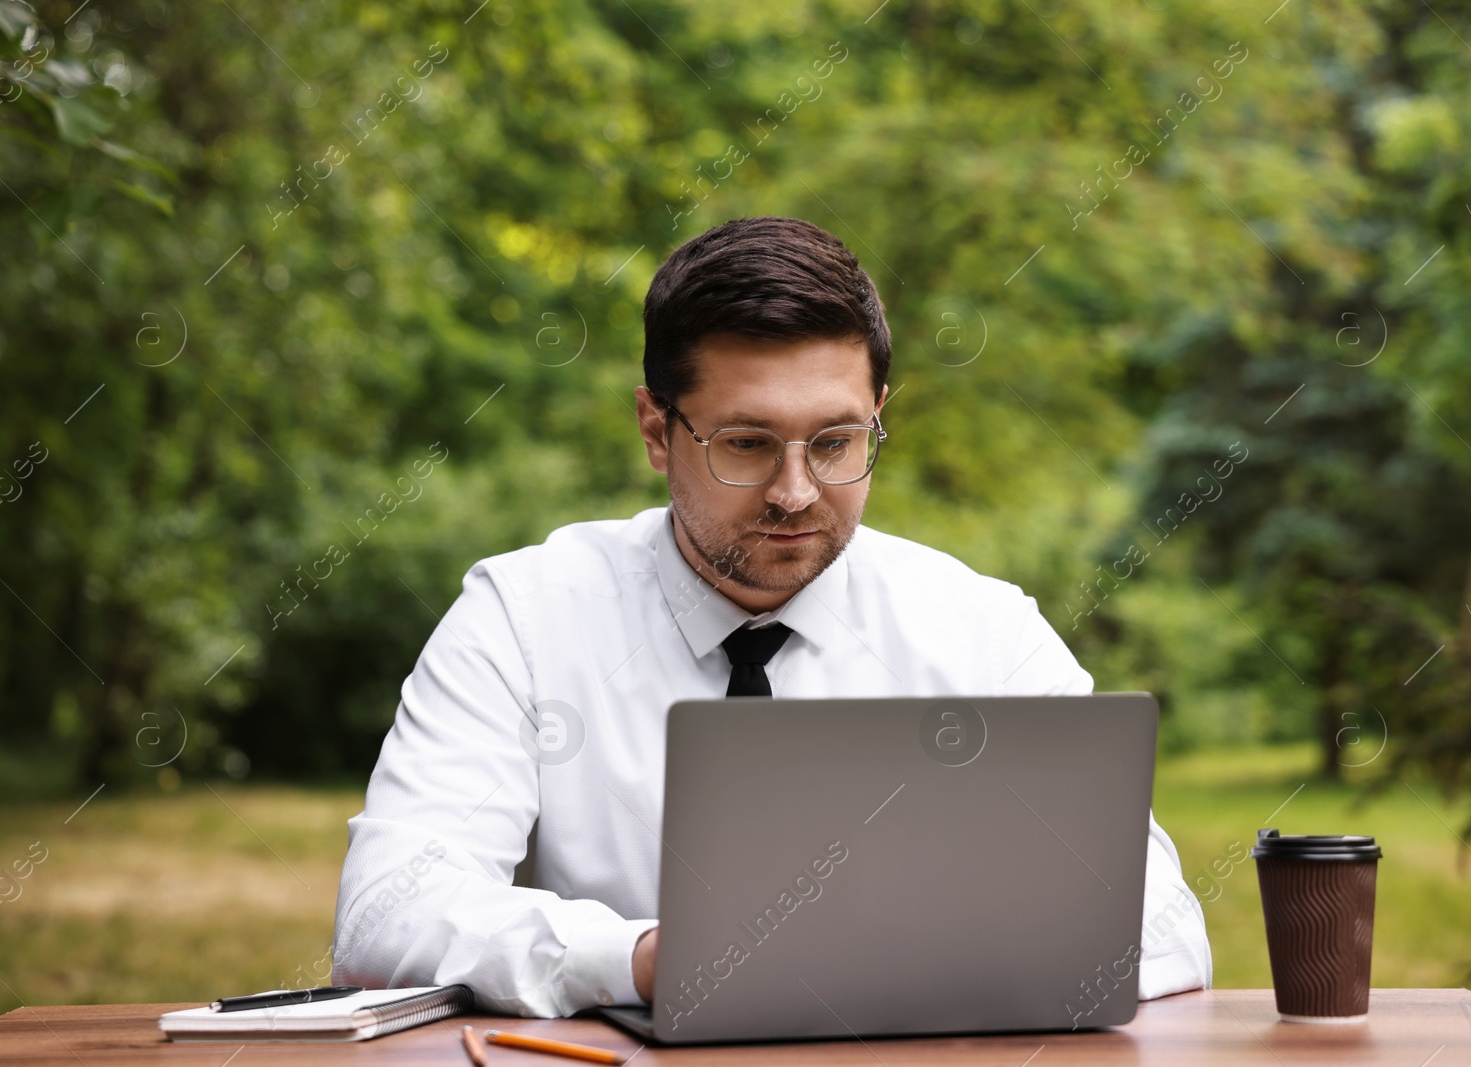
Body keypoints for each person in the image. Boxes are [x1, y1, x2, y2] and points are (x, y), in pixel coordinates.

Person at [332, 216, 1212, 1016]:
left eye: (836, 442)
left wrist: (908, 961)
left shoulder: (981, 630)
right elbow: (387, 910)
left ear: (877, 420)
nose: (795, 493)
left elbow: (1164, 925)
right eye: (746, 444)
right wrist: (643, 958)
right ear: (654, 428)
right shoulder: (525, 617)